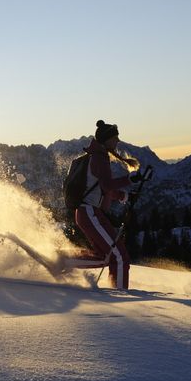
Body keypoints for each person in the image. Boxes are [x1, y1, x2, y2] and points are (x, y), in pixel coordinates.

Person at [73, 119, 142, 290]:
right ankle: (120, 294)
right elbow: (107, 185)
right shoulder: (99, 157)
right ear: (106, 139)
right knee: (119, 256)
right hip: (89, 213)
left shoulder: (97, 156)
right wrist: (130, 179)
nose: (118, 141)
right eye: (115, 138)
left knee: (105, 255)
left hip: (87, 213)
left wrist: (125, 196)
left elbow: (103, 189)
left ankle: (62, 260)